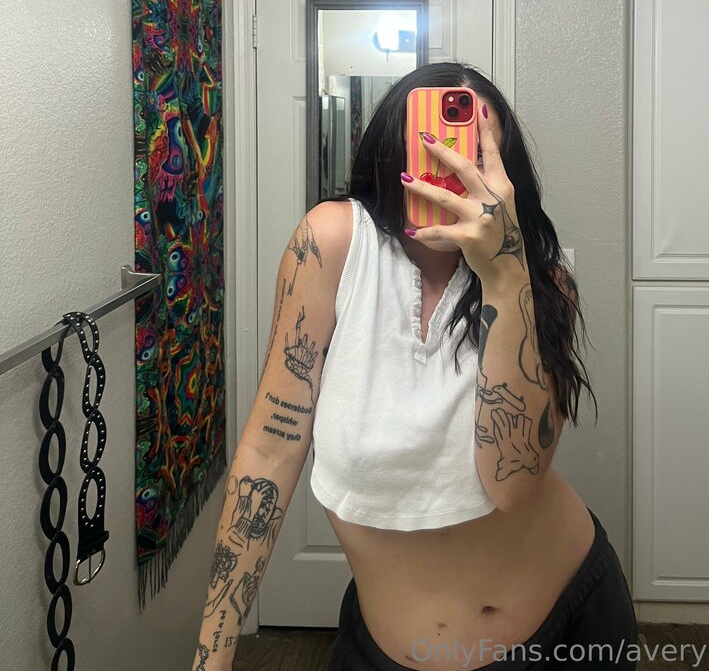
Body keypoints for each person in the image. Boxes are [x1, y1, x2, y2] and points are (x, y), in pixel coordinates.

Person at [191, 62, 639, 670]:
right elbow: (270, 451)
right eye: (436, 148)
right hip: (382, 647)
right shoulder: (331, 244)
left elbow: (511, 484)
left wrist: (505, 274)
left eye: (475, 157)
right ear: (393, 154)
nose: (452, 174)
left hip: (565, 624)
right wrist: (212, 656)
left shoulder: (540, 281)